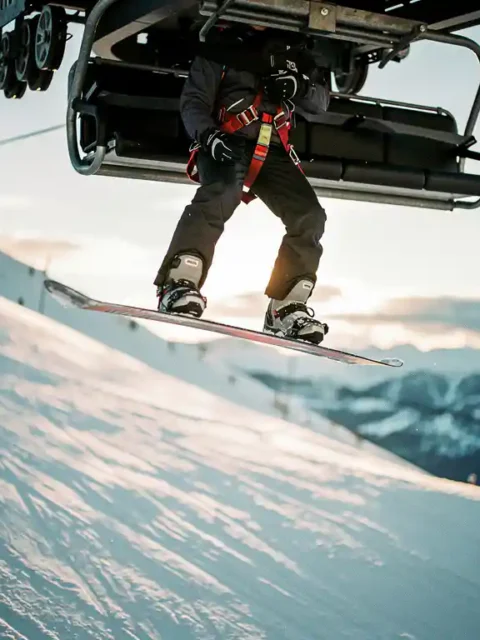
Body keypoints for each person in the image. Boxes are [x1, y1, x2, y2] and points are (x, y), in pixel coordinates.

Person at [153, 24, 330, 344]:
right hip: (226, 140)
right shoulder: (220, 49)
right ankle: (178, 282)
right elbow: (193, 102)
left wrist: (299, 87)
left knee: (309, 215)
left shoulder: (293, 57)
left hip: (273, 150)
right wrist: (207, 135)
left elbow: (320, 101)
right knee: (221, 192)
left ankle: (285, 306)